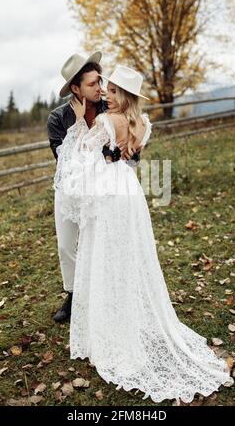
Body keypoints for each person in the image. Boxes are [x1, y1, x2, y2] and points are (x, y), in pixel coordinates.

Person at [53, 64, 234, 403]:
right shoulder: (142, 123)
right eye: (103, 86)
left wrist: (79, 123)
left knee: (105, 256)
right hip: (130, 194)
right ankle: (126, 318)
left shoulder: (106, 121)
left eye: (112, 89)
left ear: (122, 95)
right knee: (128, 255)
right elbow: (130, 159)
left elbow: (77, 156)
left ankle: (109, 331)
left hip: (107, 197)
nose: (106, 91)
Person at [47, 52, 141, 323]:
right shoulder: (58, 118)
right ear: (75, 89)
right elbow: (66, 162)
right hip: (69, 188)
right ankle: (74, 294)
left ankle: (103, 294)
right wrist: (82, 130)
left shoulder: (109, 109)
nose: (100, 88)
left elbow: (130, 152)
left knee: (98, 244)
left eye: (100, 82)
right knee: (67, 245)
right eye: (92, 84)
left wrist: (128, 152)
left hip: (102, 191)